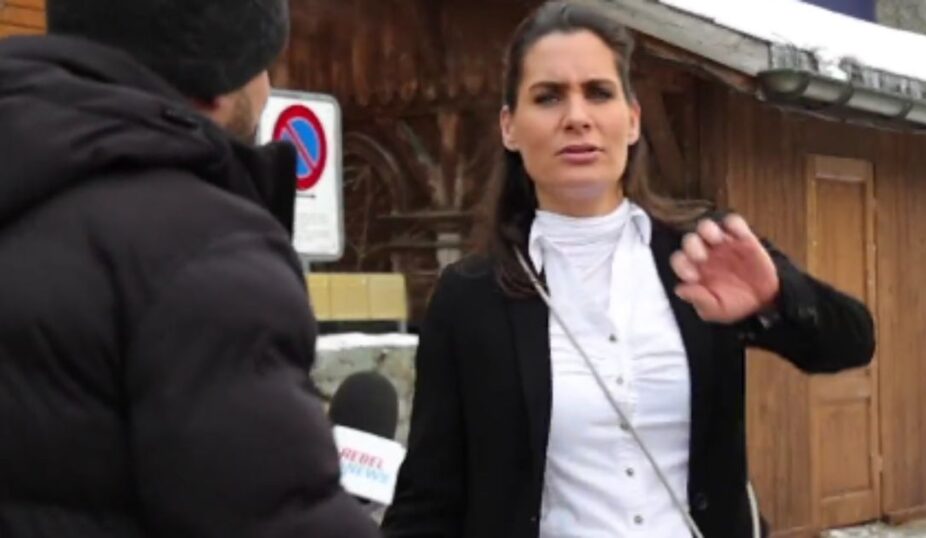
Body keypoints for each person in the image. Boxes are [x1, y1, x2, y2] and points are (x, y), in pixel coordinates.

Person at [381, 2, 876, 537]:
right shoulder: (470, 298)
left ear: (633, 119)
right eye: (548, 97)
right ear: (510, 128)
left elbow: (853, 341)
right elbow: (428, 498)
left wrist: (776, 297)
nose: (577, 117)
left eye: (598, 92)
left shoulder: (703, 254)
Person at [0, 1, 380, 537]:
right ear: (218, 77)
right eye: (263, 63)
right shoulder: (203, 248)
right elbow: (275, 516)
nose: (267, 85)